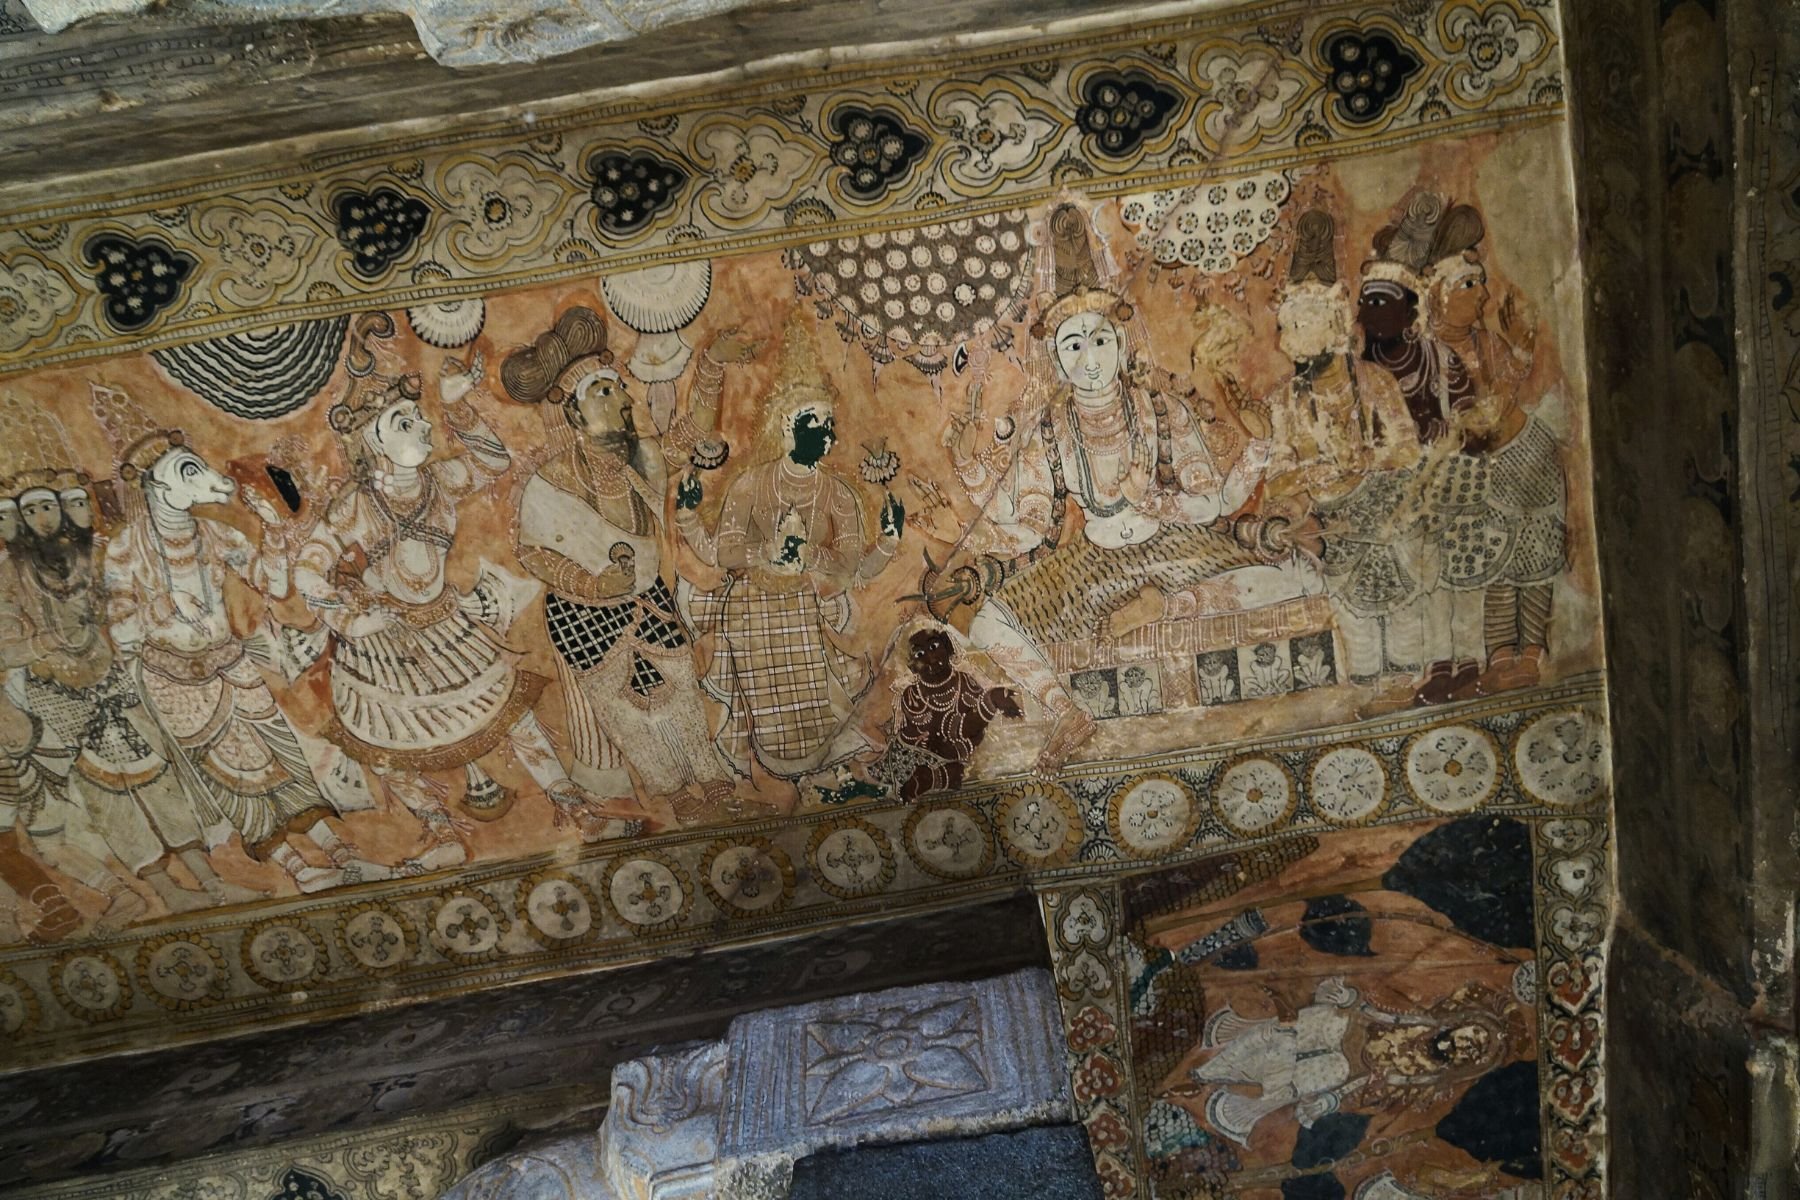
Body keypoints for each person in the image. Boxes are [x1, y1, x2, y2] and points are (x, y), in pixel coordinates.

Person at [932, 205, 1312, 772]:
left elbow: (1215, 503)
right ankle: (1066, 710)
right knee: (987, 622)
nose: (1089, 361)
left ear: (1121, 343)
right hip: (1092, 570)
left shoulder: (1160, 410)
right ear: (1057, 361)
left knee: (1294, 576)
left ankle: (1170, 608)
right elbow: (1023, 529)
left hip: (1175, 551)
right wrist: (971, 470)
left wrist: (1160, 499)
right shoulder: (1053, 433)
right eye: (1072, 347)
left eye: (1099, 341)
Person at [294, 357, 630, 865]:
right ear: (375, 443)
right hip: (389, 642)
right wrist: (350, 622)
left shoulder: (439, 480)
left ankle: (573, 805)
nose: (424, 425)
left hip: (447, 623)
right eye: (405, 423)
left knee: (510, 714)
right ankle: (437, 828)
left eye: (420, 416)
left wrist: (456, 404)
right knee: (388, 743)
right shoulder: (353, 506)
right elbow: (307, 571)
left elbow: (494, 460)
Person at [95, 384, 390, 894]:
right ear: (158, 487)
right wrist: (158, 616)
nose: (208, 480)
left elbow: (272, 582)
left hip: (232, 666)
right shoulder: (127, 548)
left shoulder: (215, 534)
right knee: (234, 777)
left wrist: (273, 528)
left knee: (282, 760)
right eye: (189, 473)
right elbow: (122, 627)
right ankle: (301, 870)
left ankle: (343, 856)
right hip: (176, 683)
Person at [503, 306, 758, 827]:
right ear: (574, 414)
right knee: (627, 713)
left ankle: (711, 786)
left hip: (650, 603)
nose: (621, 400)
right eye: (604, 391)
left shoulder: (640, 457)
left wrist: (710, 363)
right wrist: (592, 583)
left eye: (618, 389)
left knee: (681, 691)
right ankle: (676, 795)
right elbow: (535, 554)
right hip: (583, 617)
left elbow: (692, 432)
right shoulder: (550, 482)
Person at [676, 308, 902, 791]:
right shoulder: (751, 484)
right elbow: (724, 552)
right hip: (752, 609)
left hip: (800, 605)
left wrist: (886, 542)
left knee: (810, 698)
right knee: (770, 702)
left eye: (830, 424)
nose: (829, 434)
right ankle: (785, 780)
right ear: (785, 426)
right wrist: (759, 551)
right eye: (815, 423)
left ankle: (825, 777)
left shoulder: (837, 493)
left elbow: (851, 568)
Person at [1419, 204, 1567, 696]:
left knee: (1538, 558)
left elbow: (1500, 408)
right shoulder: (1426, 359)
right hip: (1482, 474)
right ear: (1437, 296)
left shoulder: (1484, 343)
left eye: (1481, 283)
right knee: (1497, 564)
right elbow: (1475, 423)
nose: (1483, 296)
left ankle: (1532, 653)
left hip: (1529, 457)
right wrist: (1521, 354)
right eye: (1469, 286)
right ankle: (1502, 655)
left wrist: (1516, 356)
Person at [889, 623, 1021, 799]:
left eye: (934, 647)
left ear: (948, 646)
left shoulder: (964, 680)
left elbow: (975, 728)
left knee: (974, 760)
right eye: (919, 654)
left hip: (961, 748)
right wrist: (992, 700)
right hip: (926, 754)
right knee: (952, 768)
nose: (931, 658)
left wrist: (990, 701)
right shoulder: (913, 696)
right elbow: (943, 735)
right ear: (912, 666)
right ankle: (929, 780)